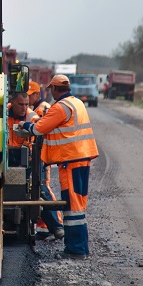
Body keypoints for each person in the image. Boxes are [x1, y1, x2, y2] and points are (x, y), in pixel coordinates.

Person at [19, 74, 98, 258]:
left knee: (72, 206)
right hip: (81, 157)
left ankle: (75, 249)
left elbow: (38, 129)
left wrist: (24, 124)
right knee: (77, 204)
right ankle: (80, 248)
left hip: (71, 160)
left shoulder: (60, 107)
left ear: (54, 89)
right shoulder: (76, 102)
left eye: (51, 89)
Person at [9, 82, 64, 241]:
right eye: (20, 104)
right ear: (12, 103)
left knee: (38, 189)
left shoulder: (31, 115)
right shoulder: (5, 114)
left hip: (30, 158)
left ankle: (57, 227)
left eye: (26, 104)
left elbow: (38, 126)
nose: (24, 107)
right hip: (10, 158)